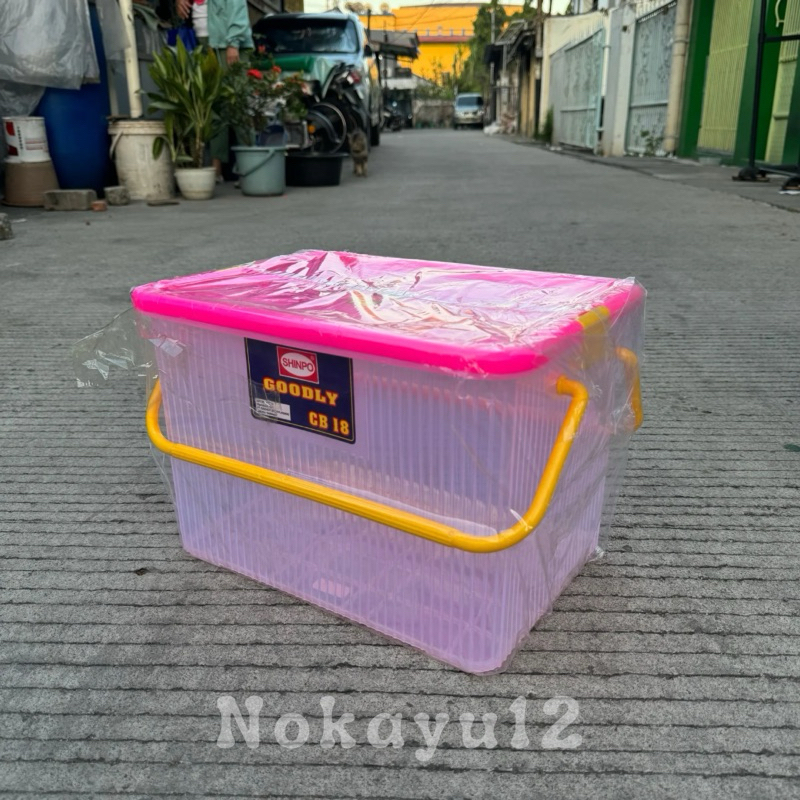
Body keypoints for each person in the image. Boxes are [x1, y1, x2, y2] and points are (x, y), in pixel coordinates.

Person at [176, 0, 253, 180]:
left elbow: (238, 8)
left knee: (238, 103)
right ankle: (216, 167)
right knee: (214, 105)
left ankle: (249, 167)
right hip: (203, 43)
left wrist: (233, 43)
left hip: (227, 44)